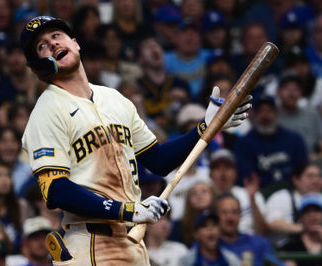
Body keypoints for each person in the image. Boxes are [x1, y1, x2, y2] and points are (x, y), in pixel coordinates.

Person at [19, 16, 251, 265]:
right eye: (42, 46)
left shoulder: (115, 99)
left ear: (75, 43)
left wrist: (205, 128)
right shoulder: (47, 110)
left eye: (56, 36)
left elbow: (158, 160)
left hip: (132, 242)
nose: (52, 44)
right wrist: (126, 210)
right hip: (90, 243)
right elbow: (56, 191)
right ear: (39, 67)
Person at [234, 95, 308, 193]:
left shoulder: (294, 139)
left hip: (293, 191)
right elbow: (246, 177)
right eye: (260, 111)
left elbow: (303, 170)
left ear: (277, 113)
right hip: (260, 193)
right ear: (253, 115)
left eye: (269, 111)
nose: (265, 116)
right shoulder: (244, 144)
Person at [266, 162, 322, 244]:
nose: (316, 180)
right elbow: (271, 223)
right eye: (310, 176)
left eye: (319, 176)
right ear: (295, 180)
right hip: (287, 250)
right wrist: (305, 229)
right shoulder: (281, 197)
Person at [214, 193, 284, 266]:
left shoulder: (258, 243)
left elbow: (276, 263)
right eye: (225, 213)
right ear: (215, 215)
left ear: (240, 215)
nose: (230, 218)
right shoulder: (211, 247)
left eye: (234, 212)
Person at [209, 149, 267, 235]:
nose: (223, 173)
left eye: (228, 168)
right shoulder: (204, 197)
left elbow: (263, 232)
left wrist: (252, 200)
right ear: (210, 173)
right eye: (217, 168)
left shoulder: (250, 194)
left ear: (236, 172)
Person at [280, 194, 322, 266]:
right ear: (300, 217)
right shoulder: (292, 245)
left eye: (316, 210)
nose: (312, 215)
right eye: (307, 211)